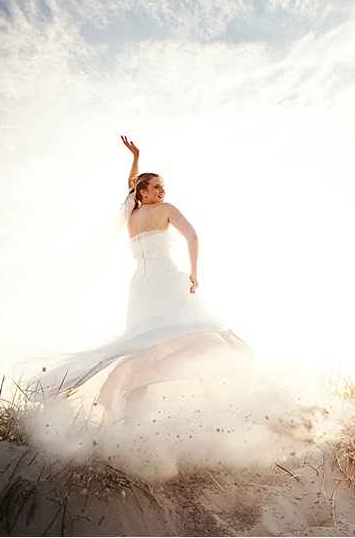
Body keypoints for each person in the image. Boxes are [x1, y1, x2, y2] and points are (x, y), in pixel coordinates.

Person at [30, 136, 253, 421]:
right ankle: (216, 403)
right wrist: (194, 273)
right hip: (169, 282)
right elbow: (193, 236)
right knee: (199, 334)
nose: (163, 190)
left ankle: (129, 423)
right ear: (144, 192)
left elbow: (131, 185)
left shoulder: (130, 215)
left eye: (164, 186)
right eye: (157, 186)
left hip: (141, 289)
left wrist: (135, 158)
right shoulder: (166, 209)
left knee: (142, 348)